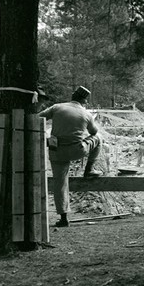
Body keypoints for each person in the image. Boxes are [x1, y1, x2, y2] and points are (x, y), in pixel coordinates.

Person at [39, 86, 103, 227]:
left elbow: (38, 118)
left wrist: (47, 138)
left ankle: (63, 218)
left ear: (72, 96)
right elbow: (94, 131)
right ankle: (89, 169)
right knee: (98, 138)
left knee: (60, 183)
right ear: (84, 102)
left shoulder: (57, 107)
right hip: (77, 150)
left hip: (56, 151)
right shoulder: (86, 114)